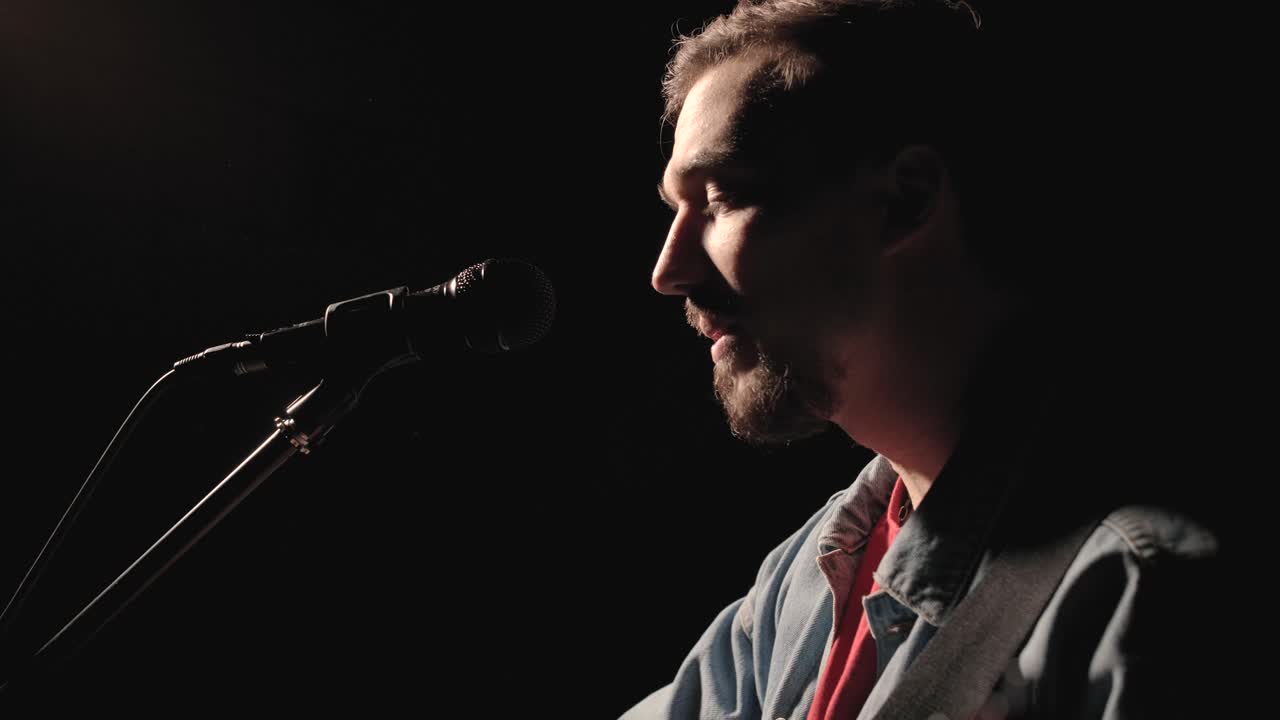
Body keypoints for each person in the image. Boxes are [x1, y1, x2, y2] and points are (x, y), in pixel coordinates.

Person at [622, 1, 1221, 718]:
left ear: (906, 200)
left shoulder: (1136, 588)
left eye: (723, 196)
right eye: (673, 208)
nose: (669, 269)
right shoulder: (806, 579)